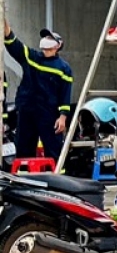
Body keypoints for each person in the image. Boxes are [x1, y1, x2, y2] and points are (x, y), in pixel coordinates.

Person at [2, 21, 73, 161]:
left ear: (58, 45)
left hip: (49, 114)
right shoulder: (32, 57)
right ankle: (23, 180)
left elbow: (65, 94)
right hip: (27, 111)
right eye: (45, 37)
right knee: (23, 150)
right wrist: (4, 22)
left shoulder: (63, 68)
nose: (46, 41)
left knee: (54, 152)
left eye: (50, 38)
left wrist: (63, 117)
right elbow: (14, 44)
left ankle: (57, 180)